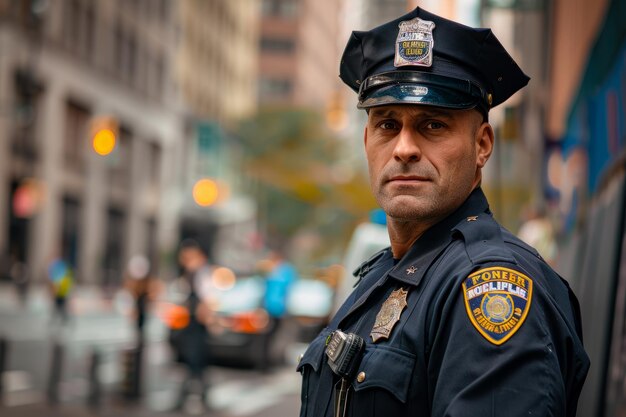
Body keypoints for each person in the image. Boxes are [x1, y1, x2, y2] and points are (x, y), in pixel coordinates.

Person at [297, 7, 589, 417]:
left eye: (433, 125)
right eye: (387, 125)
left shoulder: (490, 285)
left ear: (482, 145)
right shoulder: (382, 276)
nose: (403, 148)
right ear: (367, 141)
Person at [168, 239, 214, 412]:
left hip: (195, 326)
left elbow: (207, 299)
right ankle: (195, 398)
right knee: (192, 363)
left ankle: (196, 398)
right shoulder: (190, 274)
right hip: (190, 325)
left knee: (195, 362)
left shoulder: (201, 273)